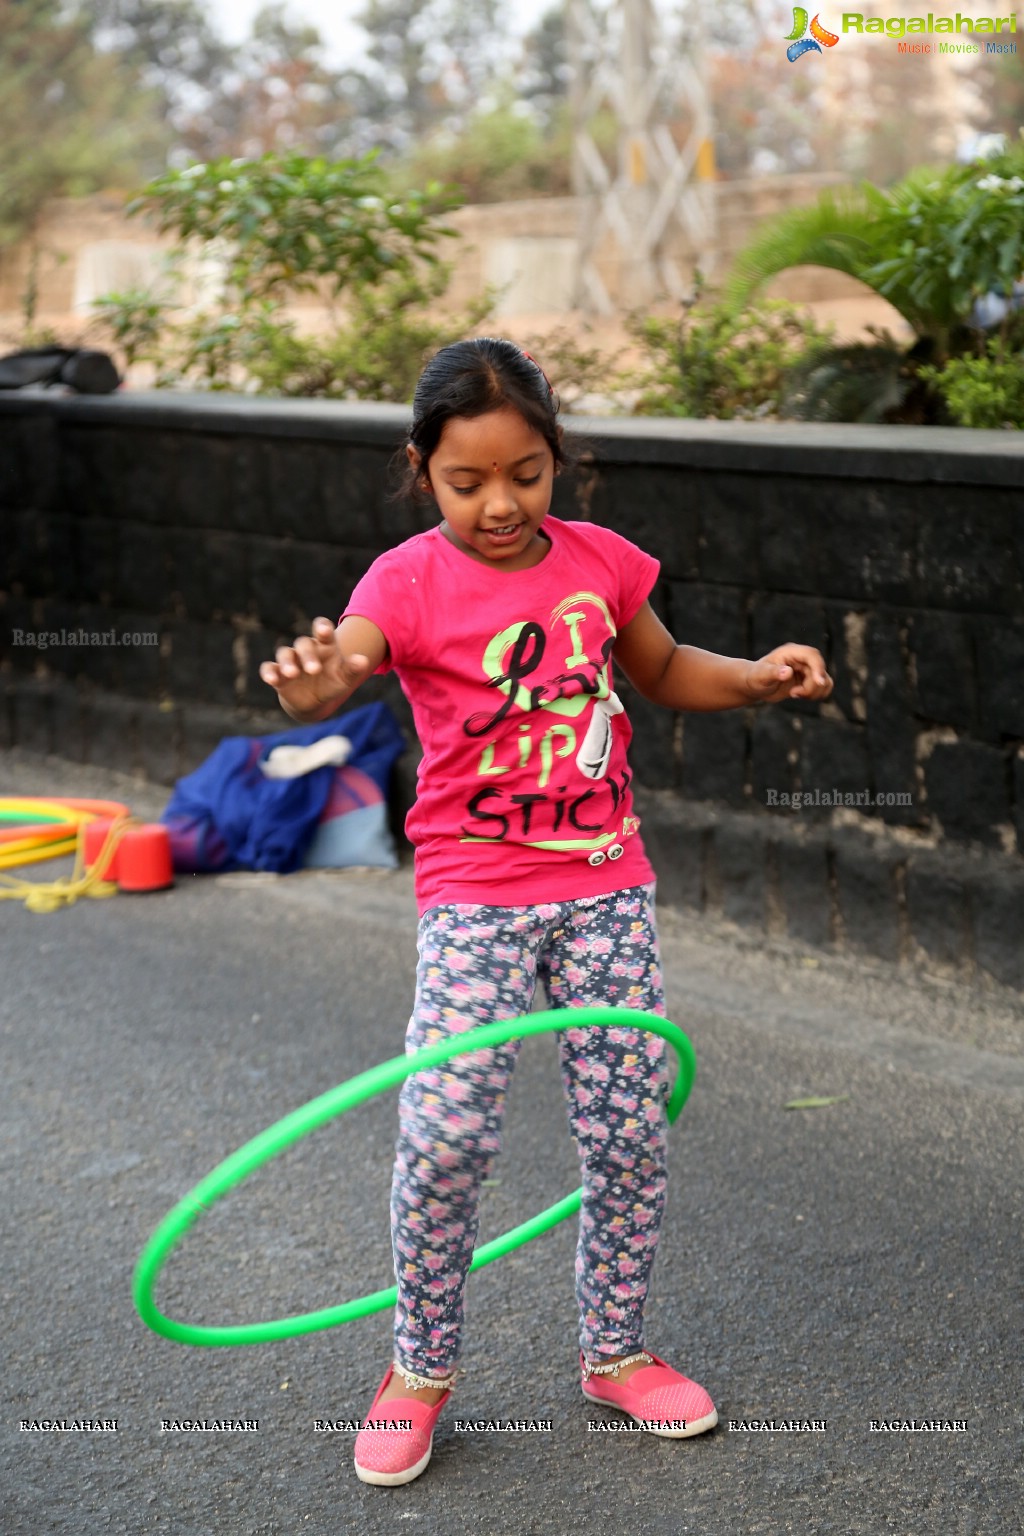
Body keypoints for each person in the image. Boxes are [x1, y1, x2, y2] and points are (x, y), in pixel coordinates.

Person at [260, 337, 833, 1486]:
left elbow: (663, 671)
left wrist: (759, 675)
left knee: (626, 1131)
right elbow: (351, 661)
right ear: (421, 469)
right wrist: (318, 684)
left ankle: (615, 1352)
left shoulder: (602, 562)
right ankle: (418, 1370)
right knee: (447, 1134)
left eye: (525, 473)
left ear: (555, 459)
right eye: (467, 481)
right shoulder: (404, 582)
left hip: (604, 884)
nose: (500, 503)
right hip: (476, 892)